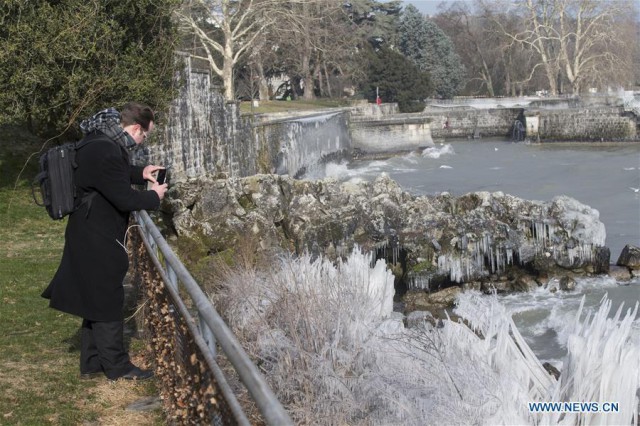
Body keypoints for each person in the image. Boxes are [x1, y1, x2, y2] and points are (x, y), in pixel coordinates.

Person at [42, 103, 168, 381]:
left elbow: (107, 177)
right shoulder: (108, 150)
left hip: (86, 229)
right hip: (97, 234)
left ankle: (91, 363)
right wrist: (154, 197)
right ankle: (117, 366)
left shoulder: (98, 141)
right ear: (136, 128)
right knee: (109, 298)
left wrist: (141, 172)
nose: (141, 141)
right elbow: (123, 197)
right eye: (144, 136)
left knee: (94, 297)